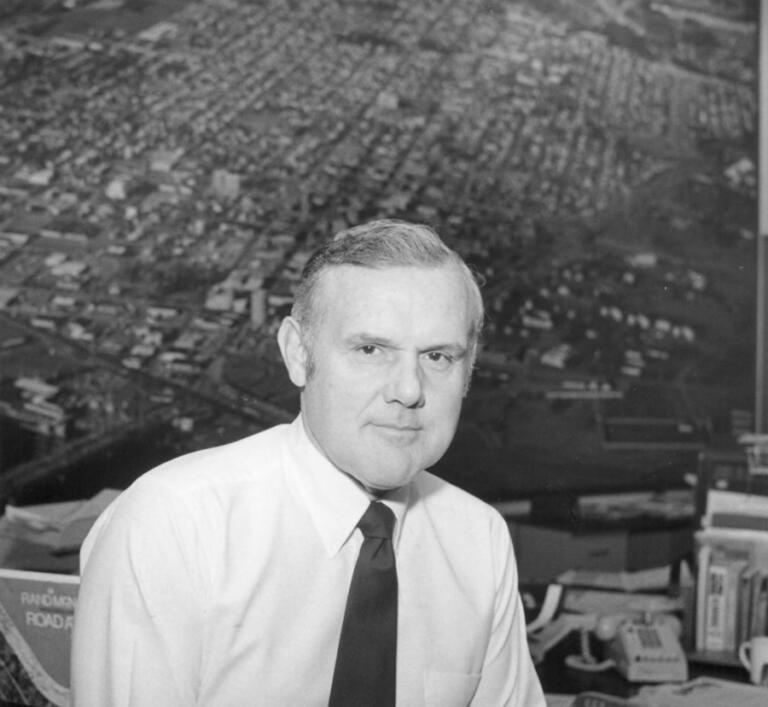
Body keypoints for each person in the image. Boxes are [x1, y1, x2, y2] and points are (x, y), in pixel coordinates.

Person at [71, 219, 545, 706]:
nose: (409, 390)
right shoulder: (176, 523)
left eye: (439, 357)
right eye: (370, 349)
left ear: (468, 373)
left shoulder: (478, 540)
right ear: (298, 354)